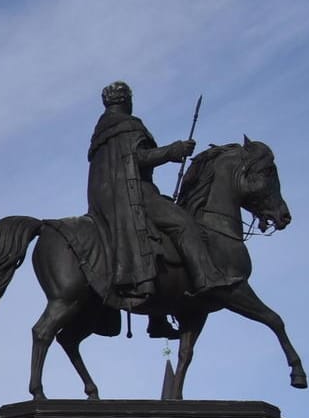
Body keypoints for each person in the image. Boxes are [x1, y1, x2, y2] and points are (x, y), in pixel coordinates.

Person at [85, 80, 213, 314]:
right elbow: (137, 158)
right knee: (184, 223)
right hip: (135, 194)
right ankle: (206, 281)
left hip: (106, 201)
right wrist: (173, 150)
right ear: (126, 101)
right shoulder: (128, 125)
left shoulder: (101, 132)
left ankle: (158, 316)